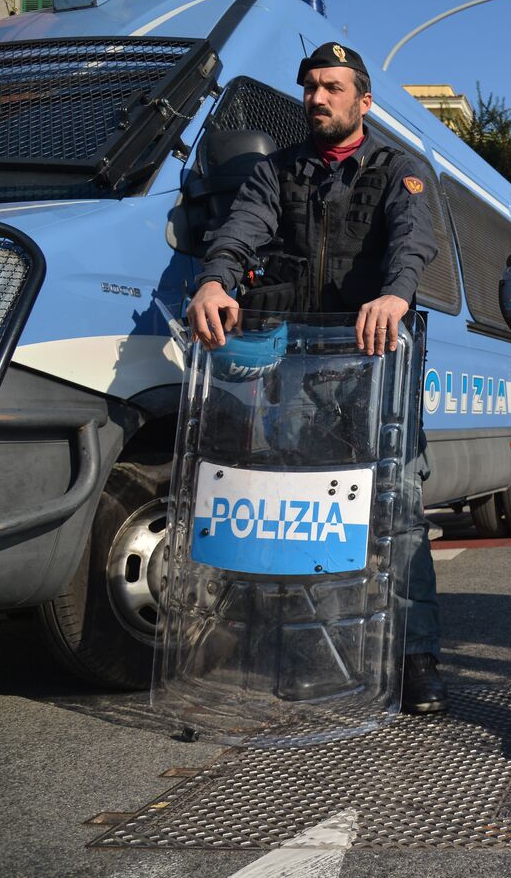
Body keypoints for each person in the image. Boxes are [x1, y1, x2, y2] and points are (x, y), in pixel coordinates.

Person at [185, 42, 447, 714]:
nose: (316, 97)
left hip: (376, 367)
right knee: (302, 511)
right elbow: (241, 230)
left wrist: (395, 294)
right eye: (309, 86)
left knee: (395, 507)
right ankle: (310, 649)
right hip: (297, 366)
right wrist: (215, 280)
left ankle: (416, 658)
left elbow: (413, 240)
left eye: (331, 87)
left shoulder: (398, 169)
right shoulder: (276, 173)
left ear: (363, 101)